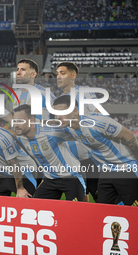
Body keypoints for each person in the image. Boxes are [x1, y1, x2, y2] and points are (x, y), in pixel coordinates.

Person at [53, 95, 138, 205]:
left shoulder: (97, 123)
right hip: (106, 171)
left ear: (74, 111)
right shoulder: (69, 128)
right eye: (56, 112)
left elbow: (129, 135)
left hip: (126, 168)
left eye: (62, 112)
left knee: (134, 210)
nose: (58, 116)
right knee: (103, 210)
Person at [13, 104, 86, 201]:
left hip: (71, 177)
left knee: (76, 212)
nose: (15, 125)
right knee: (35, 208)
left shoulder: (52, 132)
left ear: (31, 121)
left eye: (20, 121)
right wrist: (20, 188)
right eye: (14, 121)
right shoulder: (19, 137)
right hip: (49, 179)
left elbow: (81, 132)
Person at [56, 61, 99, 202]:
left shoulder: (84, 93)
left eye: (63, 73)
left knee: (102, 197)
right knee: (81, 199)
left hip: (90, 157)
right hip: (71, 159)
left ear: (73, 75)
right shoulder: (59, 100)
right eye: (57, 74)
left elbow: (99, 117)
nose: (58, 76)